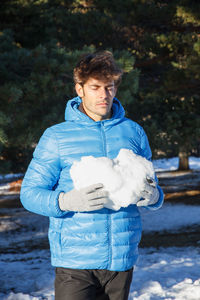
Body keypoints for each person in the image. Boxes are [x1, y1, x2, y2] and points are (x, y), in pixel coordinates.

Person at [20, 51, 164, 300]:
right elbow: (29, 194)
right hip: (75, 264)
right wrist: (64, 202)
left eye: (109, 87)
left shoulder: (133, 132)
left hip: (121, 260)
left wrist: (153, 196)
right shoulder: (57, 136)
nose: (103, 95)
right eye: (95, 87)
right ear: (79, 89)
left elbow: (154, 188)